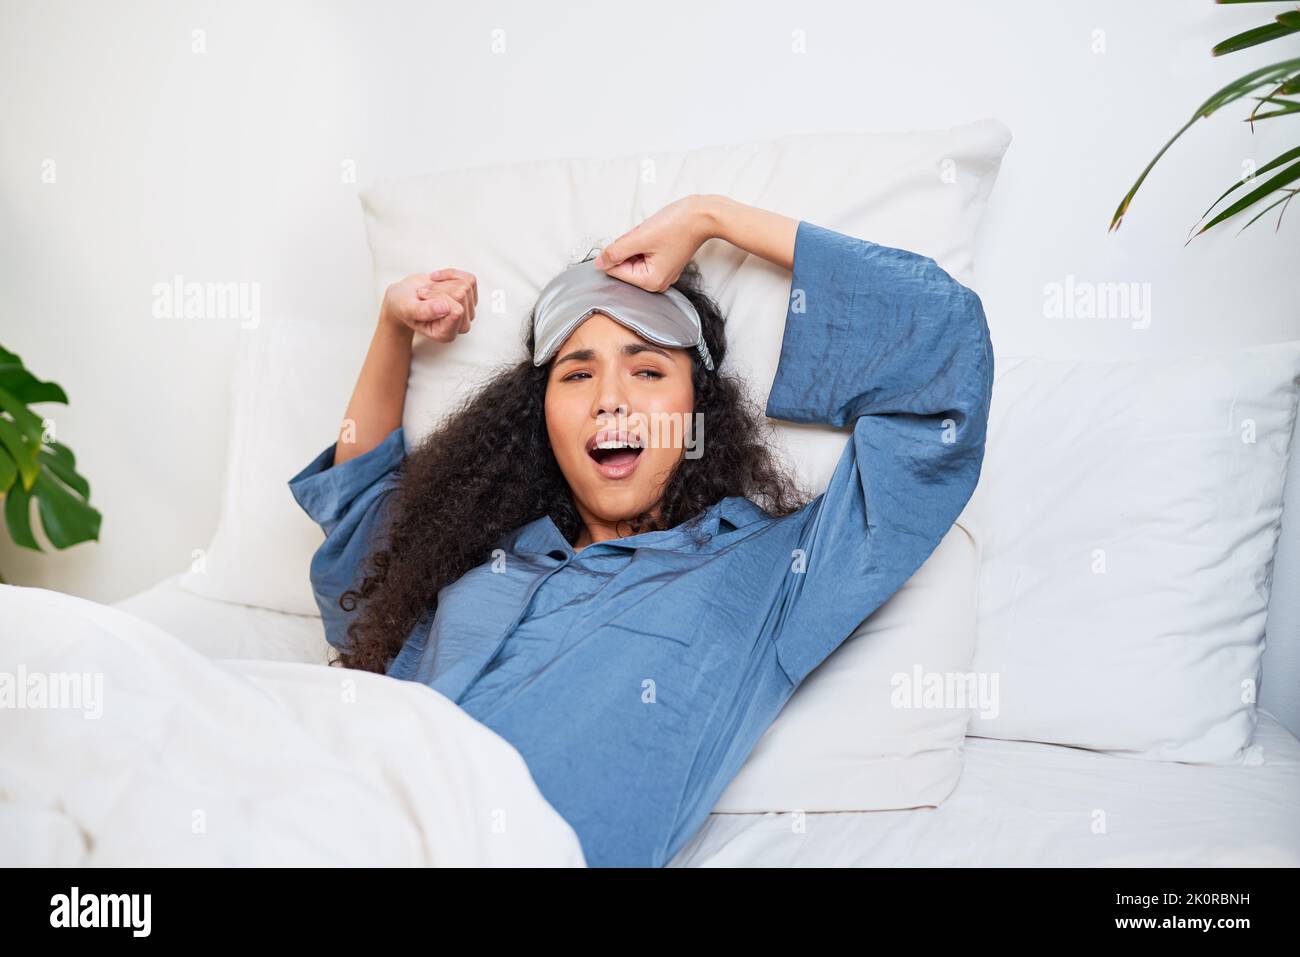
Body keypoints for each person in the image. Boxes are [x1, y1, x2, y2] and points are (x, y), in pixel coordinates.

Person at [288, 193, 994, 867]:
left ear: (698, 415)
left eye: (649, 368)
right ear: (542, 419)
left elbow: (944, 352)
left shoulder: (771, 572)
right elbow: (359, 521)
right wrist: (392, 326)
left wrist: (710, 216)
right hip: (330, 807)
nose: (611, 400)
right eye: (576, 374)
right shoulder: (482, 556)